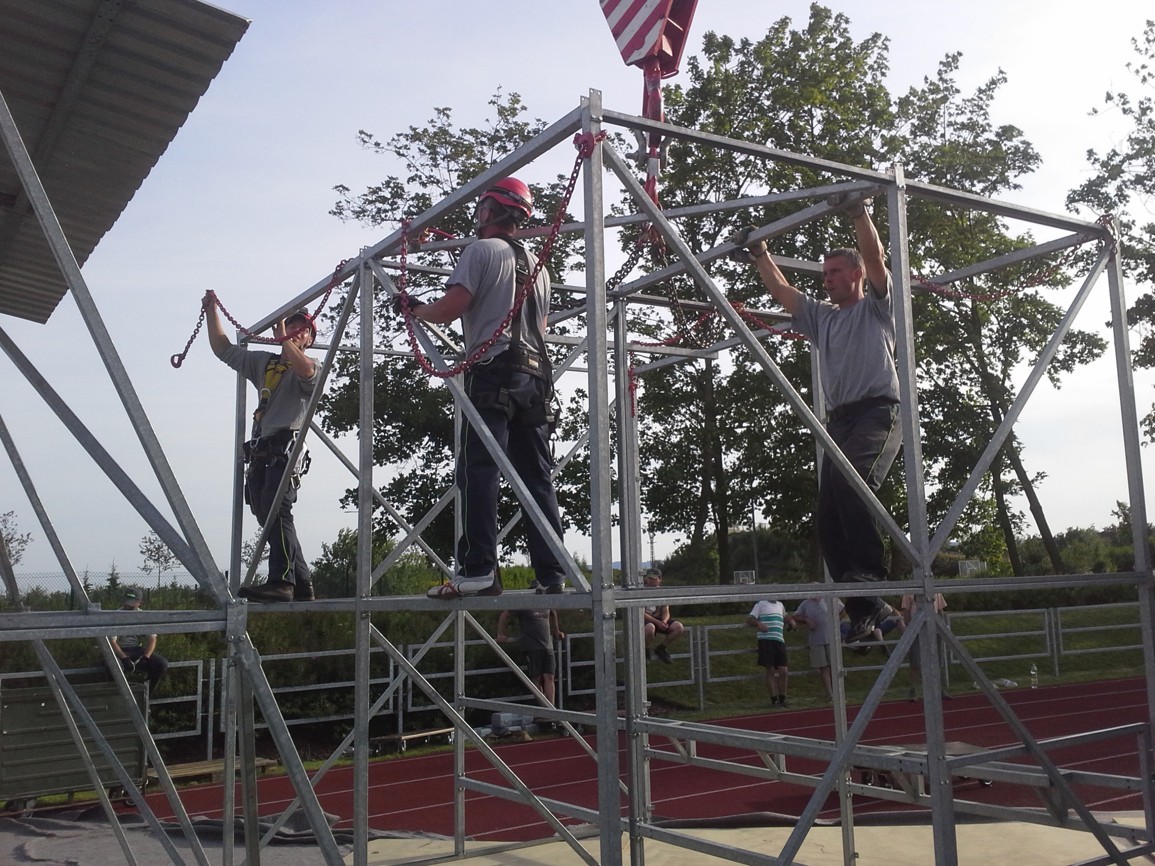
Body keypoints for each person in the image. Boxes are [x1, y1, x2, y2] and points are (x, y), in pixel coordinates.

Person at [735, 198, 902, 644]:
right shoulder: (822, 317)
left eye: (834, 272)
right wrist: (760, 253)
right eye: (824, 274)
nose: (826, 279)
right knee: (827, 515)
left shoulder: (877, 307)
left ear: (856, 275)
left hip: (878, 411)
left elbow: (875, 257)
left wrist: (859, 214)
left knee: (853, 484)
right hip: (840, 420)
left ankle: (870, 574)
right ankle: (865, 608)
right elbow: (783, 291)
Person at [404, 177, 566, 599]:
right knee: (536, 476)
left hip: (494, 370)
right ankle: (552, 572)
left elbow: (452, 306)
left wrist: (416, 309)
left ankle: (479, 570)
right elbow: (540, 325)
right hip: (535, 377)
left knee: (479, 469)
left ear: (490, 210)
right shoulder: (538, 266)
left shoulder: (480, 251)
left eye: (481, 209)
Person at [203, 292, 319, 602]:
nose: (296, 331)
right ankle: (301, 581)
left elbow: (306, 371)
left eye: (303, 329)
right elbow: (223, 349)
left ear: (309, 340)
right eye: (292, 325)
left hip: (286, 447)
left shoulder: (311, 366)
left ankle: (282, 581)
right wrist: (211, 311)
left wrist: (284, 339)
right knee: (264, 509)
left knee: (276, 508)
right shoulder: (265, 363)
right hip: (263, 448)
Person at [496, 608, 565, 711]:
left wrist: (557, 631)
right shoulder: (524, 604)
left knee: (550, 676)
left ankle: (551, 709)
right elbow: (504, 615)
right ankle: (544, 708)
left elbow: (553, 613)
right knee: (536, 677)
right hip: (531, 647)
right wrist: (500, 634)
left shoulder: (545, 602)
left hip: (547, 646)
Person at [110, 589, 168, 691]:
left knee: (161, 664)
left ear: (140, 603)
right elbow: (112, 642)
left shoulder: (143, 616)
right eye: (127, 604)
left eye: (132, 605)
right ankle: (116, 695)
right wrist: (124, 658)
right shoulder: (115, 616)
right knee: (113, 667)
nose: (128, 607)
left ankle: (146, 694)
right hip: (119, 651)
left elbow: (152, 639)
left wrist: (146, 657)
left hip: (137, 649)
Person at [792, 592, 843, 701]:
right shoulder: (805, 603)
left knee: (835, 666)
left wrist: (836, 619)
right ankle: (830, 694)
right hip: (816, 639)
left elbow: (843, 609)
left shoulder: (830, 599)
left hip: (832, 638)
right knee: (823, 667)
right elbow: (795, 616)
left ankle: (839, 692)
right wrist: (806, 620)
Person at [901, 592, 950, 700]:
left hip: (933, 630)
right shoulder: (909, 592)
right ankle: (913, 690)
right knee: (915, 662)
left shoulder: (935, 591)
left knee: (937, 661)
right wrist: (910, 628)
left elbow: (940, 610)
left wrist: (941, 626)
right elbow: (906, 611)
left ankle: (939, 689)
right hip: (916, 630)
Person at [747, 597, 790, 707]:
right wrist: (759, 623)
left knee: (783, 671)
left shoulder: (780, 605)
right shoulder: (761, 603)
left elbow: (785, 616)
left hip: (779, 640)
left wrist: (791, 621)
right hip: (766, 640)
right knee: (770, 670)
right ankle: (774, 700)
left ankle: (782, 699)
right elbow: (750, 619)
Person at [641, 568, 684, 663]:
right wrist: (658, 622)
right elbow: (641, 613)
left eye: (653, 578)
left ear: (660, 579)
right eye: (649, 578)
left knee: (678, 627)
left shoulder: (662, 591)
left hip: (658, 619)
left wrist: (664, 621)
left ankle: (661, 649)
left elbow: (666, 610)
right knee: (650, 628)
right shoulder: (642, 591)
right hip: (646, 620)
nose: (650, 581)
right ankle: (645, 650)